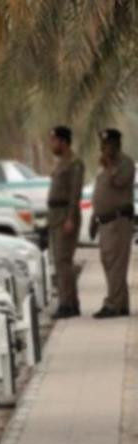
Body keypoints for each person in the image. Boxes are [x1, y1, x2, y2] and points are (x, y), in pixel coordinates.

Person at [91, 128, 135, 318]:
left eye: (107, 144)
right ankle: (121, 304)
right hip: (105, 222)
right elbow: (101, 191)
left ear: (117, 144)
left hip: (118, 221)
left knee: (116, 264)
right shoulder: (104, 165)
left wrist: (109, 166)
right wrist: (94, 218)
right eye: (102, 144)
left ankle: (113, 304)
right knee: (109, 263)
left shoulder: (125, 163)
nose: (103, 148)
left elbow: (119, 182)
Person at [47, 126, 85, 319]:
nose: (51, 144)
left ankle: (66, 304)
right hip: (55, 215)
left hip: (65, 215)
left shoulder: (74, 163)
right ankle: (72, 303)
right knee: (60, 261)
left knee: (63, 261)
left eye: (54, 140)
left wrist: (70, 218)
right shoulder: (60, 162)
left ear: (63, 141)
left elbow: (75, 194)